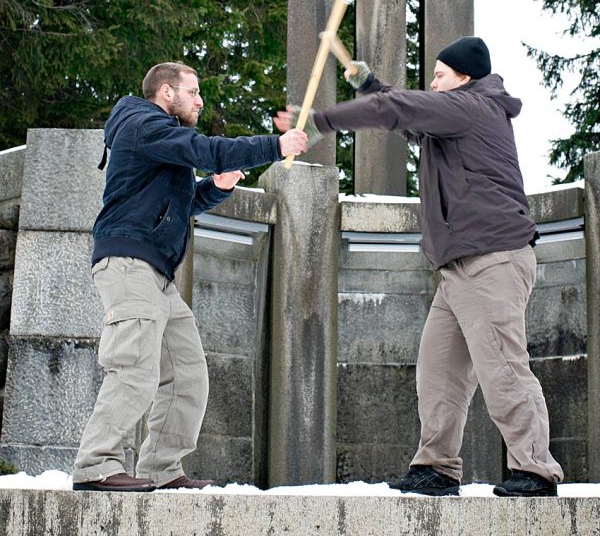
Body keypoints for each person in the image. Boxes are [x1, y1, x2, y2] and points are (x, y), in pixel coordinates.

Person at [274, 37, 564, 498]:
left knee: (503, 369)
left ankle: (536, 469)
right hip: (459, 267)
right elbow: (408, 116)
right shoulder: (454, 117)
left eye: (440, 75)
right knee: (439, 373)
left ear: (464, 78)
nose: (433, 83)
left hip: (491, 258)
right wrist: (370, 84)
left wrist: (321, 121)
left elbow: (399, 109)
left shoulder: (472, 107)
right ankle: (437, 467)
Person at [73, 61, 307, 493]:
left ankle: (162, 468)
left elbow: (181, 206)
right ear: (166, 92)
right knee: (133, 368)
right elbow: (207, 150)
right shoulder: (144, 124)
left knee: (188, 374)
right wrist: (275, 145)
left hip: (157, 274)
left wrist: (217, 188)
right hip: (129, 263)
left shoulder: (159, 137)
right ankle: (96, 465)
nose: (200, 101)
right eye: (193, 92)